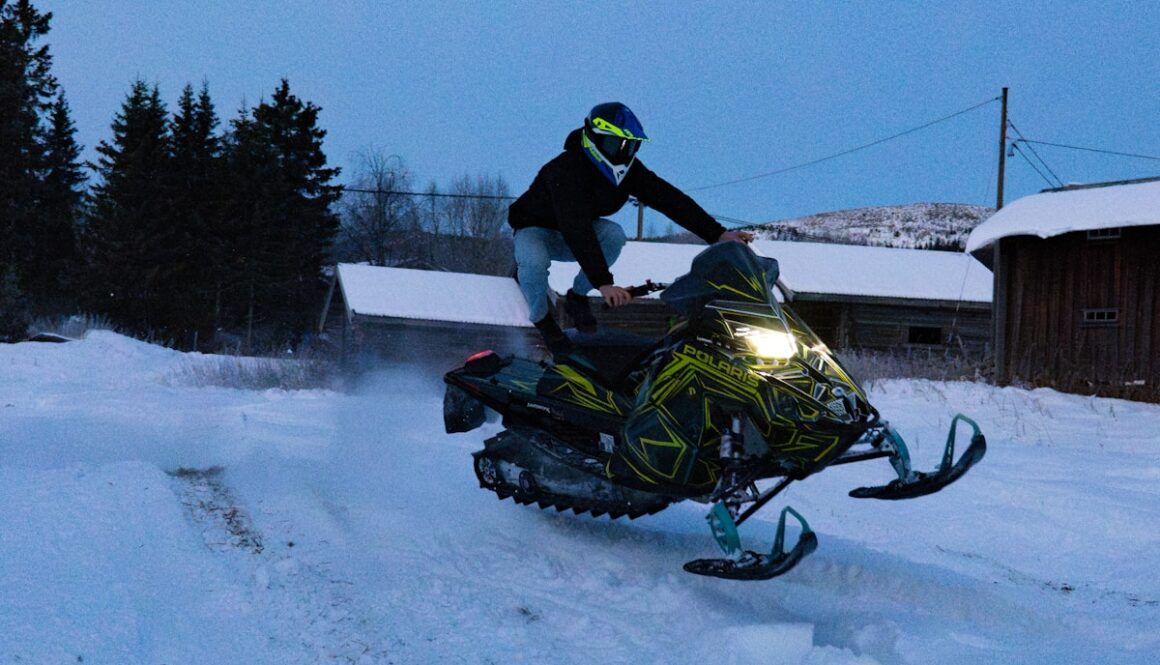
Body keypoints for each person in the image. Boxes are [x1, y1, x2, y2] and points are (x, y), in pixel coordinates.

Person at [508, 101, 753, 354]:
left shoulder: (628, 171)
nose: (625, 152)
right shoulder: (565, 170)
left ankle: (577, 297)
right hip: (536, 230)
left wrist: (717, 234)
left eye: (631, 145)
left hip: (574, 233)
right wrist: (604, 283)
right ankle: (543, 321)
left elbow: (669, 198)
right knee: (533, 262)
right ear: (596, 138)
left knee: (614, 235)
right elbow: (576, 226)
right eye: (618, 144)